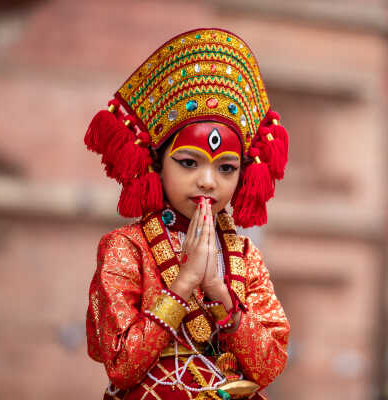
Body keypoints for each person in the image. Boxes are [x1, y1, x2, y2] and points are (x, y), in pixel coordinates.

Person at [85, 28, 290, 400]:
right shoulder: (125, 248)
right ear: (159, 164)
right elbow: (122, 366)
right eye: (188, 163)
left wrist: (218, 291)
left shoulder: (244, 257)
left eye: (226, 168)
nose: (208, 182)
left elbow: (270, 365)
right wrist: (182, 286)